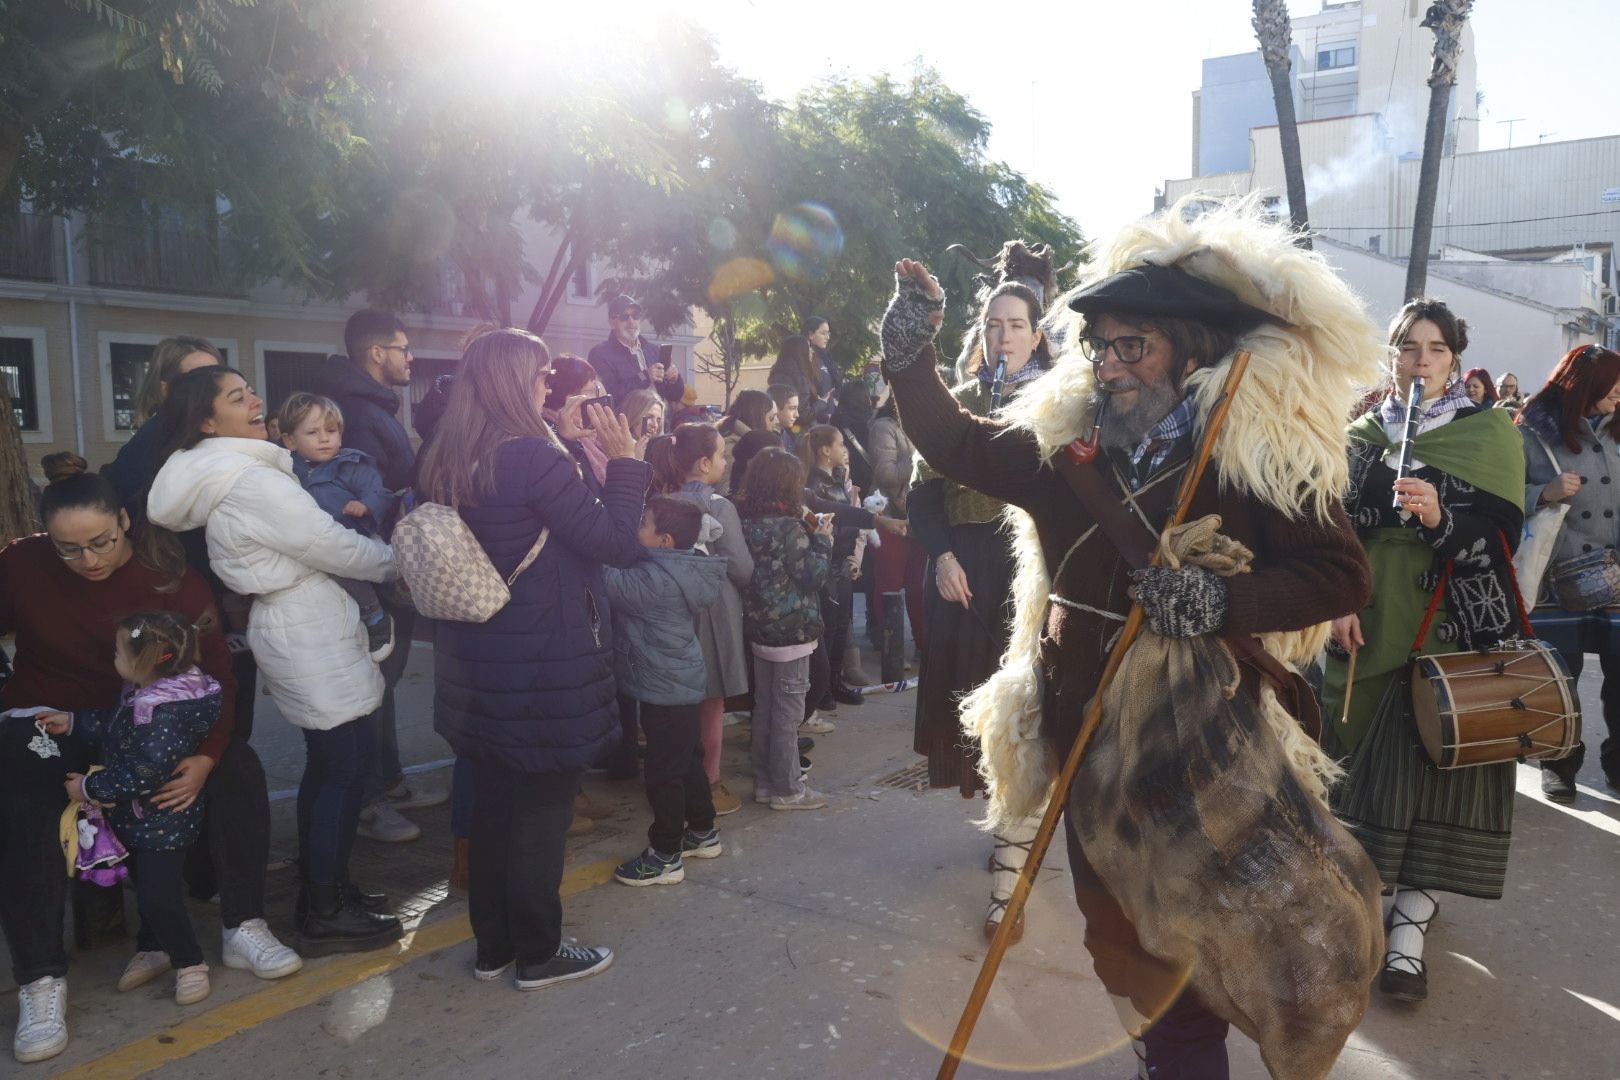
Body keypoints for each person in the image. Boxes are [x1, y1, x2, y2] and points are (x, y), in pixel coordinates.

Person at [881, 199, 1380, 1076]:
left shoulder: (1250, 453)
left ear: (1187, 351)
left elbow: (1342, 575)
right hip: (1088, 749)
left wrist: (1220, 601)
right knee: (1124, 951)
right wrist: (908, 355)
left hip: (1210, 752)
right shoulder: (1064, 451)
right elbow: (954, 442)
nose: (1108, 366)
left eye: (1130, 346)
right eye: (1098, 347)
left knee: (1230, 947)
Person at [2, 456, 300, 1067]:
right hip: (50, 718)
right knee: (22, 796)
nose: (88, 560)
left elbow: (217, 681)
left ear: (125, 521)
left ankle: (242, 925)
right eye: (68, 549)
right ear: (44, 539)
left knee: (239, 770)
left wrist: (208, 756)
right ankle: (40, 979)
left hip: (144, 721)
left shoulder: (170, 581)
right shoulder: (19, 565)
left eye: (101, 542)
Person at [417, 328, 648, 990]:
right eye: (543, 376)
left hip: (476, 660)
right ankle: (538, 952)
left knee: (493, 808)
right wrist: (624, 459)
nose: (552, 385)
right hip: (544, 664)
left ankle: (494, 947)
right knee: (542, 813)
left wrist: (569, 440)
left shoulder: (448, 456)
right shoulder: (529, 459)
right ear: (517, 383)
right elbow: (611, 540)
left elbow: (542, 523)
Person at [147, 365, 404, 957]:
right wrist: (394, 561)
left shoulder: (240, 469)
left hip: (306, 616)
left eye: (250, 390)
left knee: (336, 762)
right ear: (209, 421)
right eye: (238, 398)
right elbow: (326, 542)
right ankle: (323, 908)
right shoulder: (248, 479)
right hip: (302, 621)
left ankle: (331, 889)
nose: (256, 400)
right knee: (341, 764)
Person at [1321, 298, 1526, 1005]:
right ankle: (1357, 910)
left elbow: (1504, 535)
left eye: (1434, 349)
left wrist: (1440, 519)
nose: (1419, 360)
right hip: (1369, 625)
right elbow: (1332, 529)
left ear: (1455, 358)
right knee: (1352, 767)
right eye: (1408, 346)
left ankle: (1408, 930)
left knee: (1438, 771)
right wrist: (1338, 600)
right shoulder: (1362, 433)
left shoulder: (1488, 432)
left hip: (1452, 633)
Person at [902, 278, 1055, 944]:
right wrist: (939, 556)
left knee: (1027, 702)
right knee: (970, 701)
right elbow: (920, 497)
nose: (1003, 336)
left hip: (1032, 568)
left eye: (1016, 325)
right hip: (966, 564)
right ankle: (1003, 822)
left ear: (1037, 334)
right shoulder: (958, 404)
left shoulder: (1059, 405)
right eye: (993, 325)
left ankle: (1014, 838)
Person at [37, 611, 224, 1007]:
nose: (113, 657)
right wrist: (73, 722)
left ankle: (190, 964)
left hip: (160, 821)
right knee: (147, 888)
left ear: (149, 659)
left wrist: (86, 787)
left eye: (118, 651)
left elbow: (144, 773)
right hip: (143, 819)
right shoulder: (147, 694)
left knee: (159, 896)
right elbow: (117, 726)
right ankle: (154, 947)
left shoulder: (162, 713)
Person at [305, 308, 438, 843]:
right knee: (372, 684)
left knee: (383, 683)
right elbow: (357, 497)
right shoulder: (358, 414)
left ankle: (390, 781)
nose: (411, 359)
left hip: (385, 563)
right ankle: (368, 801)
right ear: (377, 353)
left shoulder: (372, 406)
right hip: (373, 571)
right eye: (404, 349)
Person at [602, 496, 728, 886]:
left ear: (665, 541)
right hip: (679, 682)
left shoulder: (653, 581)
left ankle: (665, 853)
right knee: (686, 759)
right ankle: (703, 831)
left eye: (643, 524)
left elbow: (603, 577)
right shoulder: (678, 570)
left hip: (665, 687)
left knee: (662, 773)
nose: (636, 528)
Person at [1517, 344, 1620, 801]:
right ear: (1584, 388)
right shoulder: (1531, 433)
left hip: (1617, 573)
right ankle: (1559, 762)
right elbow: (1499, 498)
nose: (1618, 394)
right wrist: (1543, 492)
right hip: (1556, 574)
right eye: (1611, 386)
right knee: (1560, 676)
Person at [655, 424, 752, 816]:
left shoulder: (659, 502)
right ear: (704, 462)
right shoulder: (719, 507)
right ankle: (709, 782)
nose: (726, 462)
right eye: (722, 455)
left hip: (667, 609)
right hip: (713, 611)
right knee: (711, 700)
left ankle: (673, 778)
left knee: (674, 702)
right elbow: (742, 568)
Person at [737, 448, 834, 811]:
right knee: (788, 714)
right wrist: (823, 538)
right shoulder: (790, 528)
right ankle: (788, 790)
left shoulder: (745, 521)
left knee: (764, 707)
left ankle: (765, 782)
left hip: (759, 627)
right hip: (792, 632)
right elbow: (813, 577)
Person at [277, 393, 398, 660]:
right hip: (312, 541)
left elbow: (380, 492)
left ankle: (375, 615)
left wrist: (365, 504)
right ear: (289, 440)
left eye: (331, 431)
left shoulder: (351, 463)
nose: (324, 438)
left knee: (344, 571)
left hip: (351, 535)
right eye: (312, 432)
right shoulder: (285, 470)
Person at [106, 336, 225, 506]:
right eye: (198, 379)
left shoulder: (200, 433)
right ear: (166, 390)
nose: (215, 387)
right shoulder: (149, 448)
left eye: (218, 376)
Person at [800, 425, 865, 712]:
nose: (844, 449)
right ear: (825, 450)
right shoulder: (815, 485)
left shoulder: (836, 479)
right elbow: (821, 527)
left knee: (841, 628)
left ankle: (835, 682)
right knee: (828, 630)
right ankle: (823, 688)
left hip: (841, 563)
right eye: (840, 444)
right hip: (828, 565)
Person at [867, 395, 927, 658]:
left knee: (919, 586)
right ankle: (892, 652)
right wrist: (919, 455)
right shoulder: (885, 427)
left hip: (918, 515)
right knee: (889, 585)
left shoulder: (920, 423)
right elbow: (886, 475)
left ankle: (923, 645)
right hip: (890, 516)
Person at [588, 294, 685, 410]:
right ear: (612, 322)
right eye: (624, 317)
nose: (631, 321)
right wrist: (644, 376)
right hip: (626, 426)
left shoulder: (654, 350)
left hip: (659, 423)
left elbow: (675, 396)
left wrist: (675, 379)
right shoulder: (599, 354)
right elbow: (609, 396)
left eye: (636, 315)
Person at [717, 389, 777, 492]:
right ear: (756, 418)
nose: (777, 421)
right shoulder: (730, 447)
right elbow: (726, 491)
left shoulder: (753, 442)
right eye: (771, 418)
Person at [767, 335, 823, 406]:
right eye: (808, 347)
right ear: (799, 351)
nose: (811, 351)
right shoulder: (794, 375)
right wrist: (822, 404)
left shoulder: (781, 372)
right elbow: (802, 412)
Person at [805, 316, 841, 399]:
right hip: (816, 410)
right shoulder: (804, 359)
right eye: (823, 333)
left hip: (830, 410)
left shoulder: (826, 358)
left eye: (828, 333)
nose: (827, 337)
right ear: (810, 335)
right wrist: (822, 402)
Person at [767, 384, 802, 449]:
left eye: (797, 408)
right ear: (775, 407)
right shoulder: (769, 441)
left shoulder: (784, 433)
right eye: (792, 408)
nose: (797, 415)